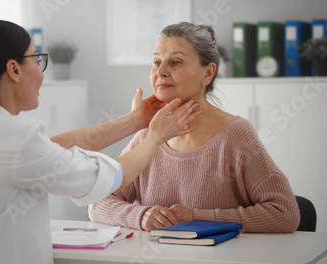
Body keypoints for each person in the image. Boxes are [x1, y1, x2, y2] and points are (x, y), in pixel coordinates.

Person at [0, 20, 201, 264]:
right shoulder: (17, 140)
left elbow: (50, 151)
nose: (42, 74)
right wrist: (158, 135)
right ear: (14, 69)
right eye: (38, 60)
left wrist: (134, 122)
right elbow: (114, 176)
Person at [89, 22, 300, 233]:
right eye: (156, 62)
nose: (161, 71)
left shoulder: (235, 135)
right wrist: (141, 215)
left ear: (208, 74)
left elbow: (284, 213)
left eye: (176, 62)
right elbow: (98, 203)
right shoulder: (149, 135)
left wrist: (195, 218)